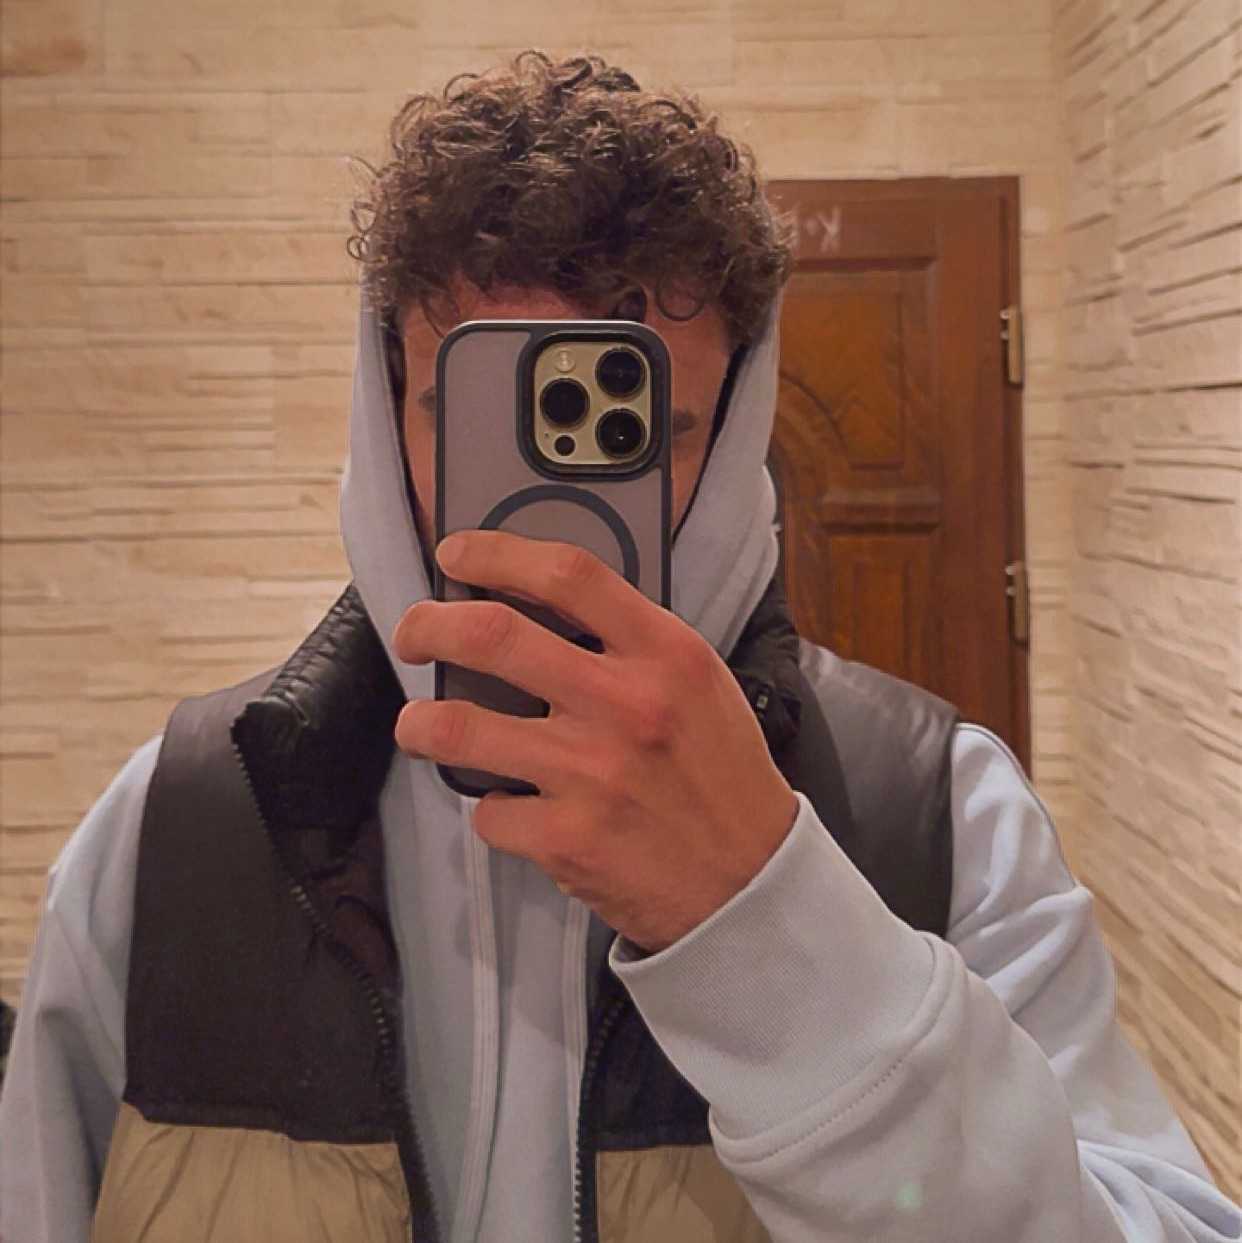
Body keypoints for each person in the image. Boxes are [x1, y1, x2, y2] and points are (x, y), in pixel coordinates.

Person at [0, 50, 1238, 1243]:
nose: (554, 515)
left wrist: (765, 925)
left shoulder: (939, 810)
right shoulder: (176, 827)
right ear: (383, 423)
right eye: (471, 414)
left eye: (640, 425)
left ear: (736, 433)